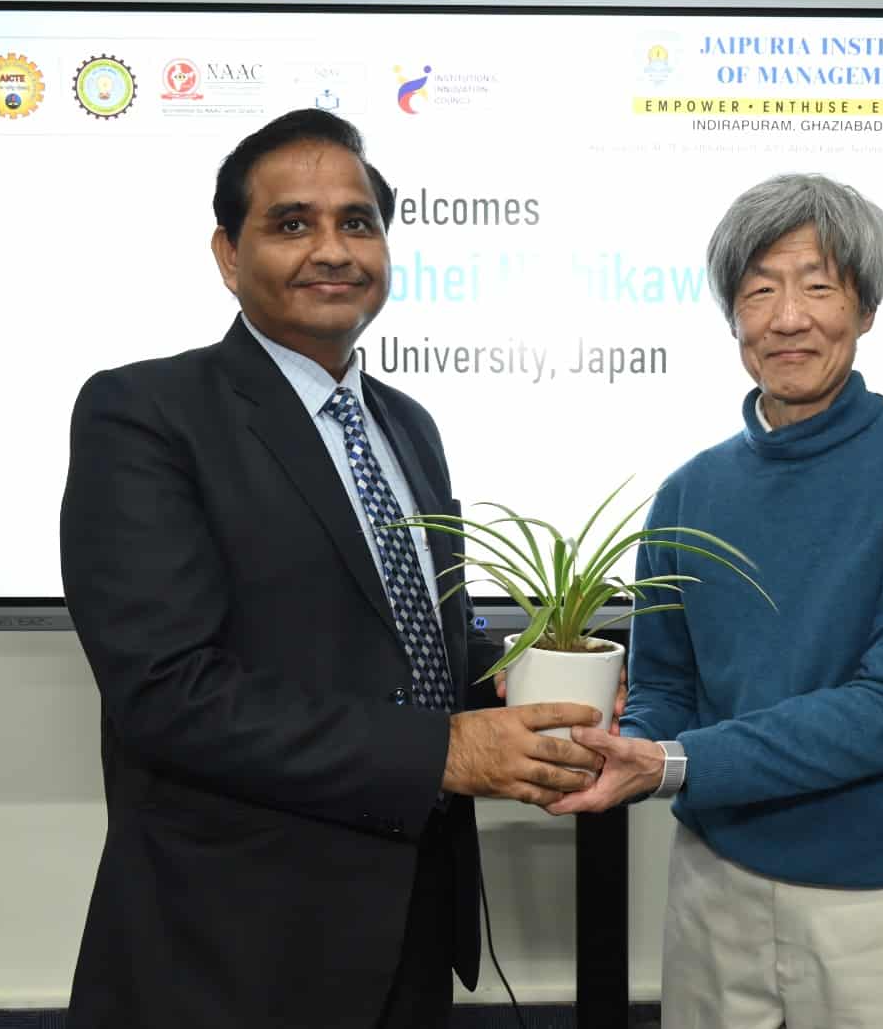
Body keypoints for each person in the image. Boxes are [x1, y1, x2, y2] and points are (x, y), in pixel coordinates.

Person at [58, 108, 605, 1029]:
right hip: (232, 949)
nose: (333, 249)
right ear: (229, 256)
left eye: (358, 223)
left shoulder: (409, 426)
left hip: (410, 924)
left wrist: (517, 679)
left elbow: (415, 639)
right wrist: (446, 749)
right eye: (292, 223)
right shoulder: (145, 413)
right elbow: (166, 691)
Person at [553, 174, 883, 1029]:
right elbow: (666, 689)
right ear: (733, 319)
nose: (787, 316)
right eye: (759, 289)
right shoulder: (689, 491)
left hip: (875, 903)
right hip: (712, 887)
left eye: (819, 285)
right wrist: (606, 740)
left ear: (865, 310)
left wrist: (675, 763)